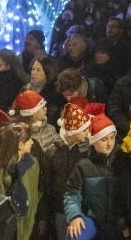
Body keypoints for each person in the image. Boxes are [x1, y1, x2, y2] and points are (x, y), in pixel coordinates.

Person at [64, 113, 123, 239]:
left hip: (116, 223)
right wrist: (75, 215)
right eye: (104, 139)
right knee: (75, 234)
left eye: (112, 138)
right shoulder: (83, 165)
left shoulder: (120, 162)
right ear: (93, 142)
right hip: (92, 221)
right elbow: (72, 194)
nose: (109, 143)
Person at [43, 103, 91, 240]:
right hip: (59, 209)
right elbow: (47, 184)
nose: (88, 133)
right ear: (73, 131)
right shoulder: (52, 152)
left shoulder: (86, 151)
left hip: (81, 208)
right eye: (84, 130)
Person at [0, 122, 40, 240]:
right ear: (20, 145)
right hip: (9, 228)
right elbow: (0, 207)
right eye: (29, 140)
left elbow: (35, 193)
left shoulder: (33, 164)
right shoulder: (1, 170)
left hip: (28, 223)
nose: (32, 142)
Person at [9, 90, 59, 164]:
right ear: (32, 113)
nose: (46, 108)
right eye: (43, 107)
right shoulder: (22, 133)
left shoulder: (50, 129)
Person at [26, 55, 65, 128]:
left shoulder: (54, 93)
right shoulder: (26, 88)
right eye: (33, 69)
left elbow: (52, 118)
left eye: (38, 70)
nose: (33, 73)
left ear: (48, 71)